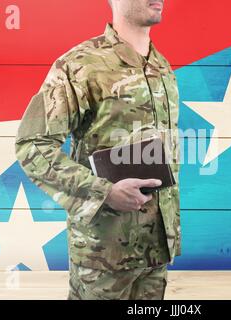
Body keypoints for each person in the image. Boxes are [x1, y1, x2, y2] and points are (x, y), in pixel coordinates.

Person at [14, 0, 180, 300]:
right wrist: (103, 191)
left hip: (156, 249)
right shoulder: (80, 65)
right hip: (104, 253)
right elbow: (33, 147)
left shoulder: (162, 67)